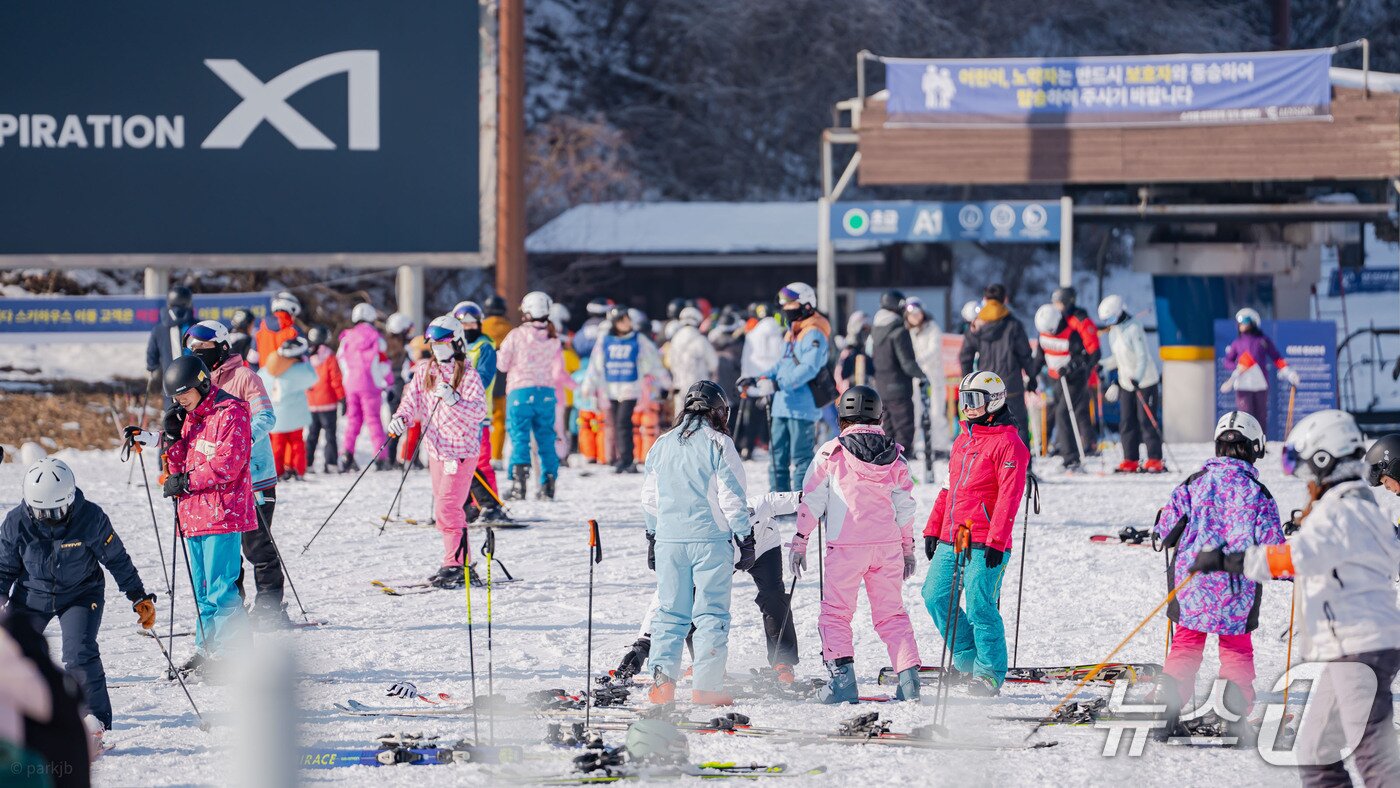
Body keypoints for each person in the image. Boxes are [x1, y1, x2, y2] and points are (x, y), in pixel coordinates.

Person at [1191, 410, 1400, 785]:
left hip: (1359, 648)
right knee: (1317, 753)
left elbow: (1294, 558)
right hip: (1352, 648)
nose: (1306, 483)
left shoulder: (1341, 510)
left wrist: (1228, 559)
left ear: (1325, 462)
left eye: (1307, 471)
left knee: (1374, 758)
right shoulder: (1362, 509)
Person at [1150, 411, 1283, 737]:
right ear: (1254, 448)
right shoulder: (1259, 493)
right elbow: (1275, 551)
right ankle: (1234, 715)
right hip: (1236, 588)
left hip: (1193, 584)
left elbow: (1163, 533)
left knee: (1185, 646)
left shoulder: (1193, 483)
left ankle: (1166, 709)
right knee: (1236, 649)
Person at [1, 458, 155, 732]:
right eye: (42, 512)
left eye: (58, 510)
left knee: (79, 652)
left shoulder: (90, 518)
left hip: (81, 594)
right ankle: (15, 715)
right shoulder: (16, 523)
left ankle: (94, 721)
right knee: (12, 651)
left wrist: (137, 595)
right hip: (32, 594)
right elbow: (3, 568)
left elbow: (116, 558)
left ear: (70, 499)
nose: (50, 518)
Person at [791, 385, 922, 703]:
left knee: (835, 614)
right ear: (879, 415)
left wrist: (800, 540)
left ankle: (843, 683)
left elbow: (812, 500)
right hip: (887, 545)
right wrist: (907, 549)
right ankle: (909, 681)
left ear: (842, 418)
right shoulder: (894, 454)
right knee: (892, 614)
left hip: (846, 546)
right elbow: (905, 506)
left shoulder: (830, 452)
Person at [133, 356, 256, 675]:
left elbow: (229, 464)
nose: (179, 400)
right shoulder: (186, 416)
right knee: (202, 588)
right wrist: (172, 440)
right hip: (193, 515)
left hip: (223, 512)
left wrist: (186, 481)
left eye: (184, 393)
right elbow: (176, 467)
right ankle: (208, 649)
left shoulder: (233, 411)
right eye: (175, 396)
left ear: (202, 383)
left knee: (221, 587)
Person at [642, 381, 754, 706]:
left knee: (669, 614)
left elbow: (650, 498)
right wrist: (745, 538)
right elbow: (732, 497)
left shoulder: (661, 443)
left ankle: (662, 687)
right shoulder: (719, 443)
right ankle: (706, 689)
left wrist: (652, 536)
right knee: (710, 614)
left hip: (669, 540)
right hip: (710, 541)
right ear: (719, 411)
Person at [921, 371, 1030, 696]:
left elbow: (1009, 498)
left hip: (986, 538)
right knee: (935, 595)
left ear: (993, 401)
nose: (968, 408)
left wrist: (997, 540)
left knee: (980, 603)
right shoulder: (963, 439)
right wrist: (933, 527)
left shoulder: (1010, 445)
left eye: (975, 401)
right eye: (964, 400)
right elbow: (948, 489)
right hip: (956, 533)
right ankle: (968, 661)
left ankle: (989, 673)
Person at [183, 320, 286, 626]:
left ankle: (270, 605)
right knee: (225, 553)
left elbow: (267, 416)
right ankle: (232, 611)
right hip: (219, 482)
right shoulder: (198, 382)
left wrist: (239, 440)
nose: (199, 356)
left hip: (255, 475)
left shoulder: (244, 377)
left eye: (205, 350)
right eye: (193, 351)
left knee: (256, 545)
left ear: (222, 347)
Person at [388, 316, 489, 588]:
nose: (438, 348)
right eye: (433, 343)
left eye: (443, 342)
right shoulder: (425, 370)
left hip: (460, 451)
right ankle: (456, 560)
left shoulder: (468, 374)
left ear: (456, 342)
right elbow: (411, 401)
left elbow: (479, 411)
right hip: (436, 449)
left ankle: (457, 564)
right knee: (444, 506)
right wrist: (401, 418)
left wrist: (454, 399)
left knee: (448, 506)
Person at [739, 283, 831, 493]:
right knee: (776, 457)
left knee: (801, 458)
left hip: (802, 406)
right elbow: (781, 364)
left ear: (807, 304)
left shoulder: (814, 334)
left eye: (792, 304)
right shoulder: (792, 333)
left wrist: (778, 384)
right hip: (782, 404)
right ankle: (779, 502)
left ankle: (801, 504)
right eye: (784, 305)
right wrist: (757, 378)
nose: (787, 309)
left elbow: (810, 368)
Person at [497, 291, 572, 500]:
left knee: (519, 438)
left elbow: (502, 364)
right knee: (546, 439)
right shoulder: (553, 338)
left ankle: (518, 485)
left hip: (520, 392)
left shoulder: (516, 335)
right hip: (546, 393)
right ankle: (548, 485)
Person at [582, 305, 671, 474]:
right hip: (611, 388)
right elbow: (595, 365)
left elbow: (653, 361)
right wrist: (589, 385)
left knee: (623, 423)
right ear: (615, 323)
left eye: (628, 319)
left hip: (630, 388)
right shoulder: (605, 340)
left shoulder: (638, 339)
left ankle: (627, 459)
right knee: (616, 424)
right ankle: (621, 458)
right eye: (622, 320)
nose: (626, 323)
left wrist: (666, 383)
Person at [958, 284, 1036, 448]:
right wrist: (1032, 376)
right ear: (1005, 299)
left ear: (985, 299)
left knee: (988, 427)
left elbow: (965, 355)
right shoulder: (1014, 325)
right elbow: (1025, 355)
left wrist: (968, 382)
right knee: (1017, 425)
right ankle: (1024, 469)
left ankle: (992, 468)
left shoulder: (977, 325)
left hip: (984, 388)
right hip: (1011, 385)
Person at [452, 301, 508, 522]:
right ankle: (467, 506)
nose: (468, 328)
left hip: (477, 414)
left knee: (480, 461)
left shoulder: (484, 347)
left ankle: (490, 505)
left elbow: (483, 378)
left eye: (472, 323)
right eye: (463, 324)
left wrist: (459, 391)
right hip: (455, 415)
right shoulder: (454, 347)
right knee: (457, 462)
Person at [1097, 295, 1164, 473]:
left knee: (1146, 420)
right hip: (1126, 382)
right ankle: (1130, 459)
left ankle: (1155, 458)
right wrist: (1101, 364)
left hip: (1145, 381)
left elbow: (1142, 357)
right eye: (1106, 320)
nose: (1109, 323)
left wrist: (1137, 376)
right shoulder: (1114, 332)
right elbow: (1119, 358)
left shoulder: (1134, 328)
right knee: (1127, 421)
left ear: (1119, 313)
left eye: (1110, 318)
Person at [1221, 308, 1300, 439]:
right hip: (1242, 385)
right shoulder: (1237, 343)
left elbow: (1277, 358)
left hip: (1260, 384)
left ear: (1253, 322)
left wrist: (1289, 373)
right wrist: (1237, 367)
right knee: (1245, 415)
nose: (1242, 324)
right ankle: (1244, 443)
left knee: (1261, 416)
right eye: (1239, 321)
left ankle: (1260, 442)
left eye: (1245, 321)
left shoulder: (1262, 340)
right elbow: (1227, 361)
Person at [1033, 304, 1094, 472]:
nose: (1050, 334)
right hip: (1056, 379)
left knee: (1063, 414)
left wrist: (1069, 368)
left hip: (1074, 380)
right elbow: (1039, 357)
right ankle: (1067, 452)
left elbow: (1082, 358)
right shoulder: (1044, 333)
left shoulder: (1071, 333)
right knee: (1059, 414)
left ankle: (1071, 458)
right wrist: (1031, 375)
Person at [337, 303, 392, 472]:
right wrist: (388, 382)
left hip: (351, 384)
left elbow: (341, 359)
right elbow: (383, 364)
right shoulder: (377, 338)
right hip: (370, 385)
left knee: (353, 420)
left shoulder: (347, 338)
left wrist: (347, 378)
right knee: (373, 419)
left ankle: (347, 455)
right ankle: (381, 458)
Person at [870, 290, 926, 453]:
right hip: (899, 388)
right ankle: (902, 465)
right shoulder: (899, 331)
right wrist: (923, 375)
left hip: (881, 387)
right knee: (904, 429)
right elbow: (907, 363)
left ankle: (888, 467)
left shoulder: (875, 331)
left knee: (887, 429)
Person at [260, 337, 317, 481]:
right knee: (297, 443)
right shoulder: (299, 370)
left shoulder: (267, 371)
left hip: (276, 415)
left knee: (277, 446)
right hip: (295, 415)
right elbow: (313, 377)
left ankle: (277, 472)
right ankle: (298, 470)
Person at [904, 296, 951, 461]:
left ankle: (940, 447)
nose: (915, 317)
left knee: (936, 413)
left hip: (932, 377)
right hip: (914, 379)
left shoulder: (932, 328)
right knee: (915, 413)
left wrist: (916, 361)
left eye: (918, 313)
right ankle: (915, 445)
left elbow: (934, 350)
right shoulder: (907, 331)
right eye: (911, 314)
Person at [736, 303, 783, 459]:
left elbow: (746, 360)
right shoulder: (780, 334)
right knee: (774, 420)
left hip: (755, 383)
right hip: (773, 384)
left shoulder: (752, 334)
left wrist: (746, 380)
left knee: (752, 420)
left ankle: (748, 448)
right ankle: (774, 448)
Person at [145, 285, 197, 406]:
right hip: (195, 383)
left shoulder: (159, 329)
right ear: (188, 302)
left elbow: (151, 355)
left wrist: (152, 367)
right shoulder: (197, 326)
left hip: (170, 384)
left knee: (172, 419)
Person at [304, 325, 345, 475]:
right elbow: (336, 379)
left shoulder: (306, 357)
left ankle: (307, 464)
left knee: (312, 435)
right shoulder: (329, 356)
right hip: (328, 403)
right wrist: (342, 397)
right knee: (330, 435)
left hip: (312, 403)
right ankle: (331, 464)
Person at [665, 307, 719, 419]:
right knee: (698, 420)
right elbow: (714, 364)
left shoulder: (675, 339)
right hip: (698, 389)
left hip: (678, 386)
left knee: (680, 419)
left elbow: (670, 362)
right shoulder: (700, 340)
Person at [383, 312, 417, 469]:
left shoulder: (386, 346)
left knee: (395, 423)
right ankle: (409, 458)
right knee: (408, 423)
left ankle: (391, 458)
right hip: (401, 389)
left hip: (391, 389)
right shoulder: (406, 349)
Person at [482, 295, 514, 462]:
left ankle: (482, 455)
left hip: (483, 374)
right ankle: (497, 456)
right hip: (502, 375)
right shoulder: (509, 327)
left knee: (482, 417)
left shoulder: (481, 326)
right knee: (500, 417)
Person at [252, 291, 303, 375]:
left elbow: (252, 359)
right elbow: (305, 356)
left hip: (265, 378)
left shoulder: (260, 330)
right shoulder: (294, 331)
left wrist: (261, 375)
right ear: (291, 308)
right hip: (288, 378)